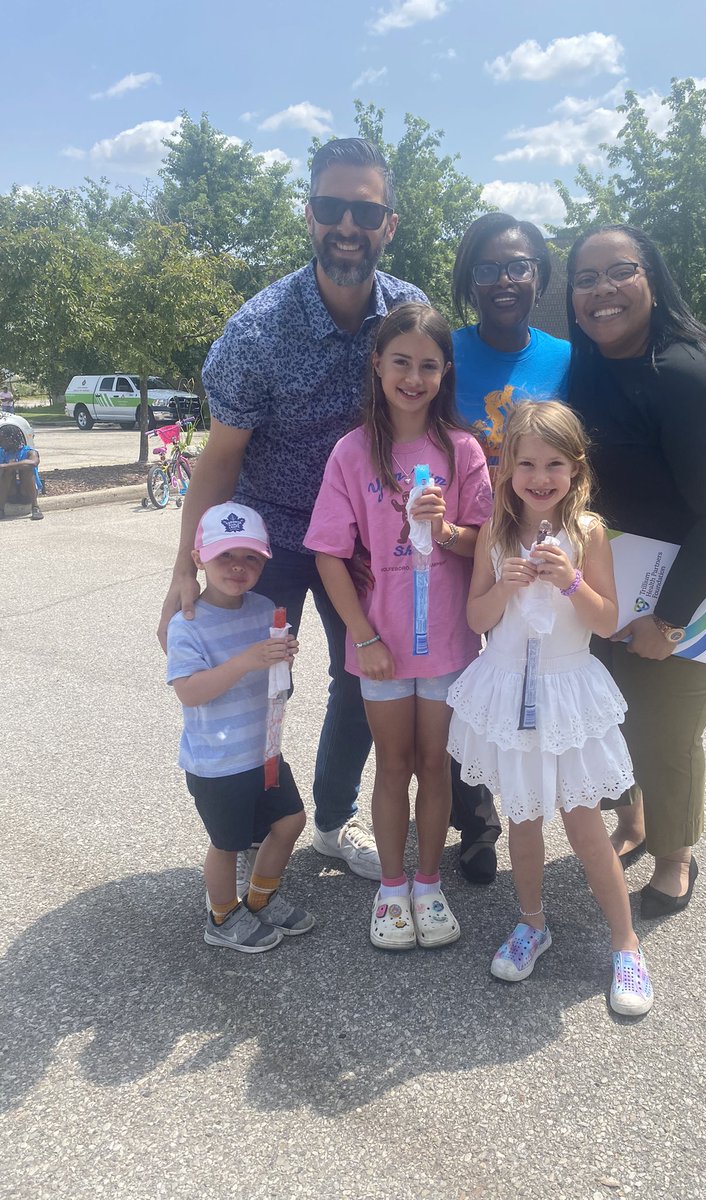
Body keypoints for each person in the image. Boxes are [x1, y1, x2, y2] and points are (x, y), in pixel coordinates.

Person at [156, 137, 427, 883]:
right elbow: (220, 457)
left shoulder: (409, 317)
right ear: (309, 216)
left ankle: (333, 824)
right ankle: (245, 827)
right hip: (263, 540)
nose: (348, 224)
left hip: (361, 542)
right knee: (249, 677)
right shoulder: (257, 330)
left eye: (365, 210)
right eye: (332, 207)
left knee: (363, 673)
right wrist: (185, 569)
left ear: (388, 223)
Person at [565, 224, 706, 917]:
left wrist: (670, 619)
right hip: (626, 573)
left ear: (651, 278)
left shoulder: (688, 374)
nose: (602, 290)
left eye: (619, 271)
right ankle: (634, 821)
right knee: (614, 709)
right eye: (585, 277)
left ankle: (676, 856)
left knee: (664, 726)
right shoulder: (589, 369)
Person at [446, 401, 653, 1015]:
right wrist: (503, 586)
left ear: (576, 469)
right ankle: (532, 921)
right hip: (508, 691)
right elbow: (476, 619)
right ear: (507, 467)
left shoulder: (588, 531)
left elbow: (609, 620)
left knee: (585, 825)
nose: (540, 476)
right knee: (524, 821)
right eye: (527, 463)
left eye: (554, 464)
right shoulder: (493, 531)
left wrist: (569, 581)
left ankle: (626, 944)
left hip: (566, 692)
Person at [305, 303, 492, 951]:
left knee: (435, 765)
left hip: (445, 647)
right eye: (402, 362)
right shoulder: (353, 453)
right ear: (378, 364)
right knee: (393, 764)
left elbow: (484, 544)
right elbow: (328, 552)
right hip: (380, 648)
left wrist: (445, 530)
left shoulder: (461, 450)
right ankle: (391, 888)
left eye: (429, 366)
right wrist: (362, 636)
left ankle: (429, 884)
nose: (414, 377)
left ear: (445, 373)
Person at [447, 212, 572, 883]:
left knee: (554, 669)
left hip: (539, 545)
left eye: (518, 265)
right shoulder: (449, 351)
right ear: (470, 278)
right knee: (464, 681)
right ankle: (477, 824)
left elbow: (580, 451)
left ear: (538, 276)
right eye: (489, 267)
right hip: (457, 543)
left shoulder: (563, 357)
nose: (504, 279)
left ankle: (575, 799)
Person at [166, 502, 314, 953]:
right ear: (199, 560)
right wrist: (247, 660)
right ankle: (222, 914)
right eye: (225, 556)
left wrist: (282, 663)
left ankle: (261, 895)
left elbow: (275, 680)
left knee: (290, 820)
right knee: (227, 844)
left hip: (264, 749)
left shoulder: (266, 607)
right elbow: (189, 691)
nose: (238, 567)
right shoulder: (187, 623)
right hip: (217, 761)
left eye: (251, 557)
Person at [0, 423, 43, 521]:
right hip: (10, 492)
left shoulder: (30, 452)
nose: (0, 442)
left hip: (27, 493)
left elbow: (33, 462)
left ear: (11, 439)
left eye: (2, 439)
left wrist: (6, 465)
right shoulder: (1, 452)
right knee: (7, 472)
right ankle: (1, 509)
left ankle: (35, 507)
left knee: (26, 469)